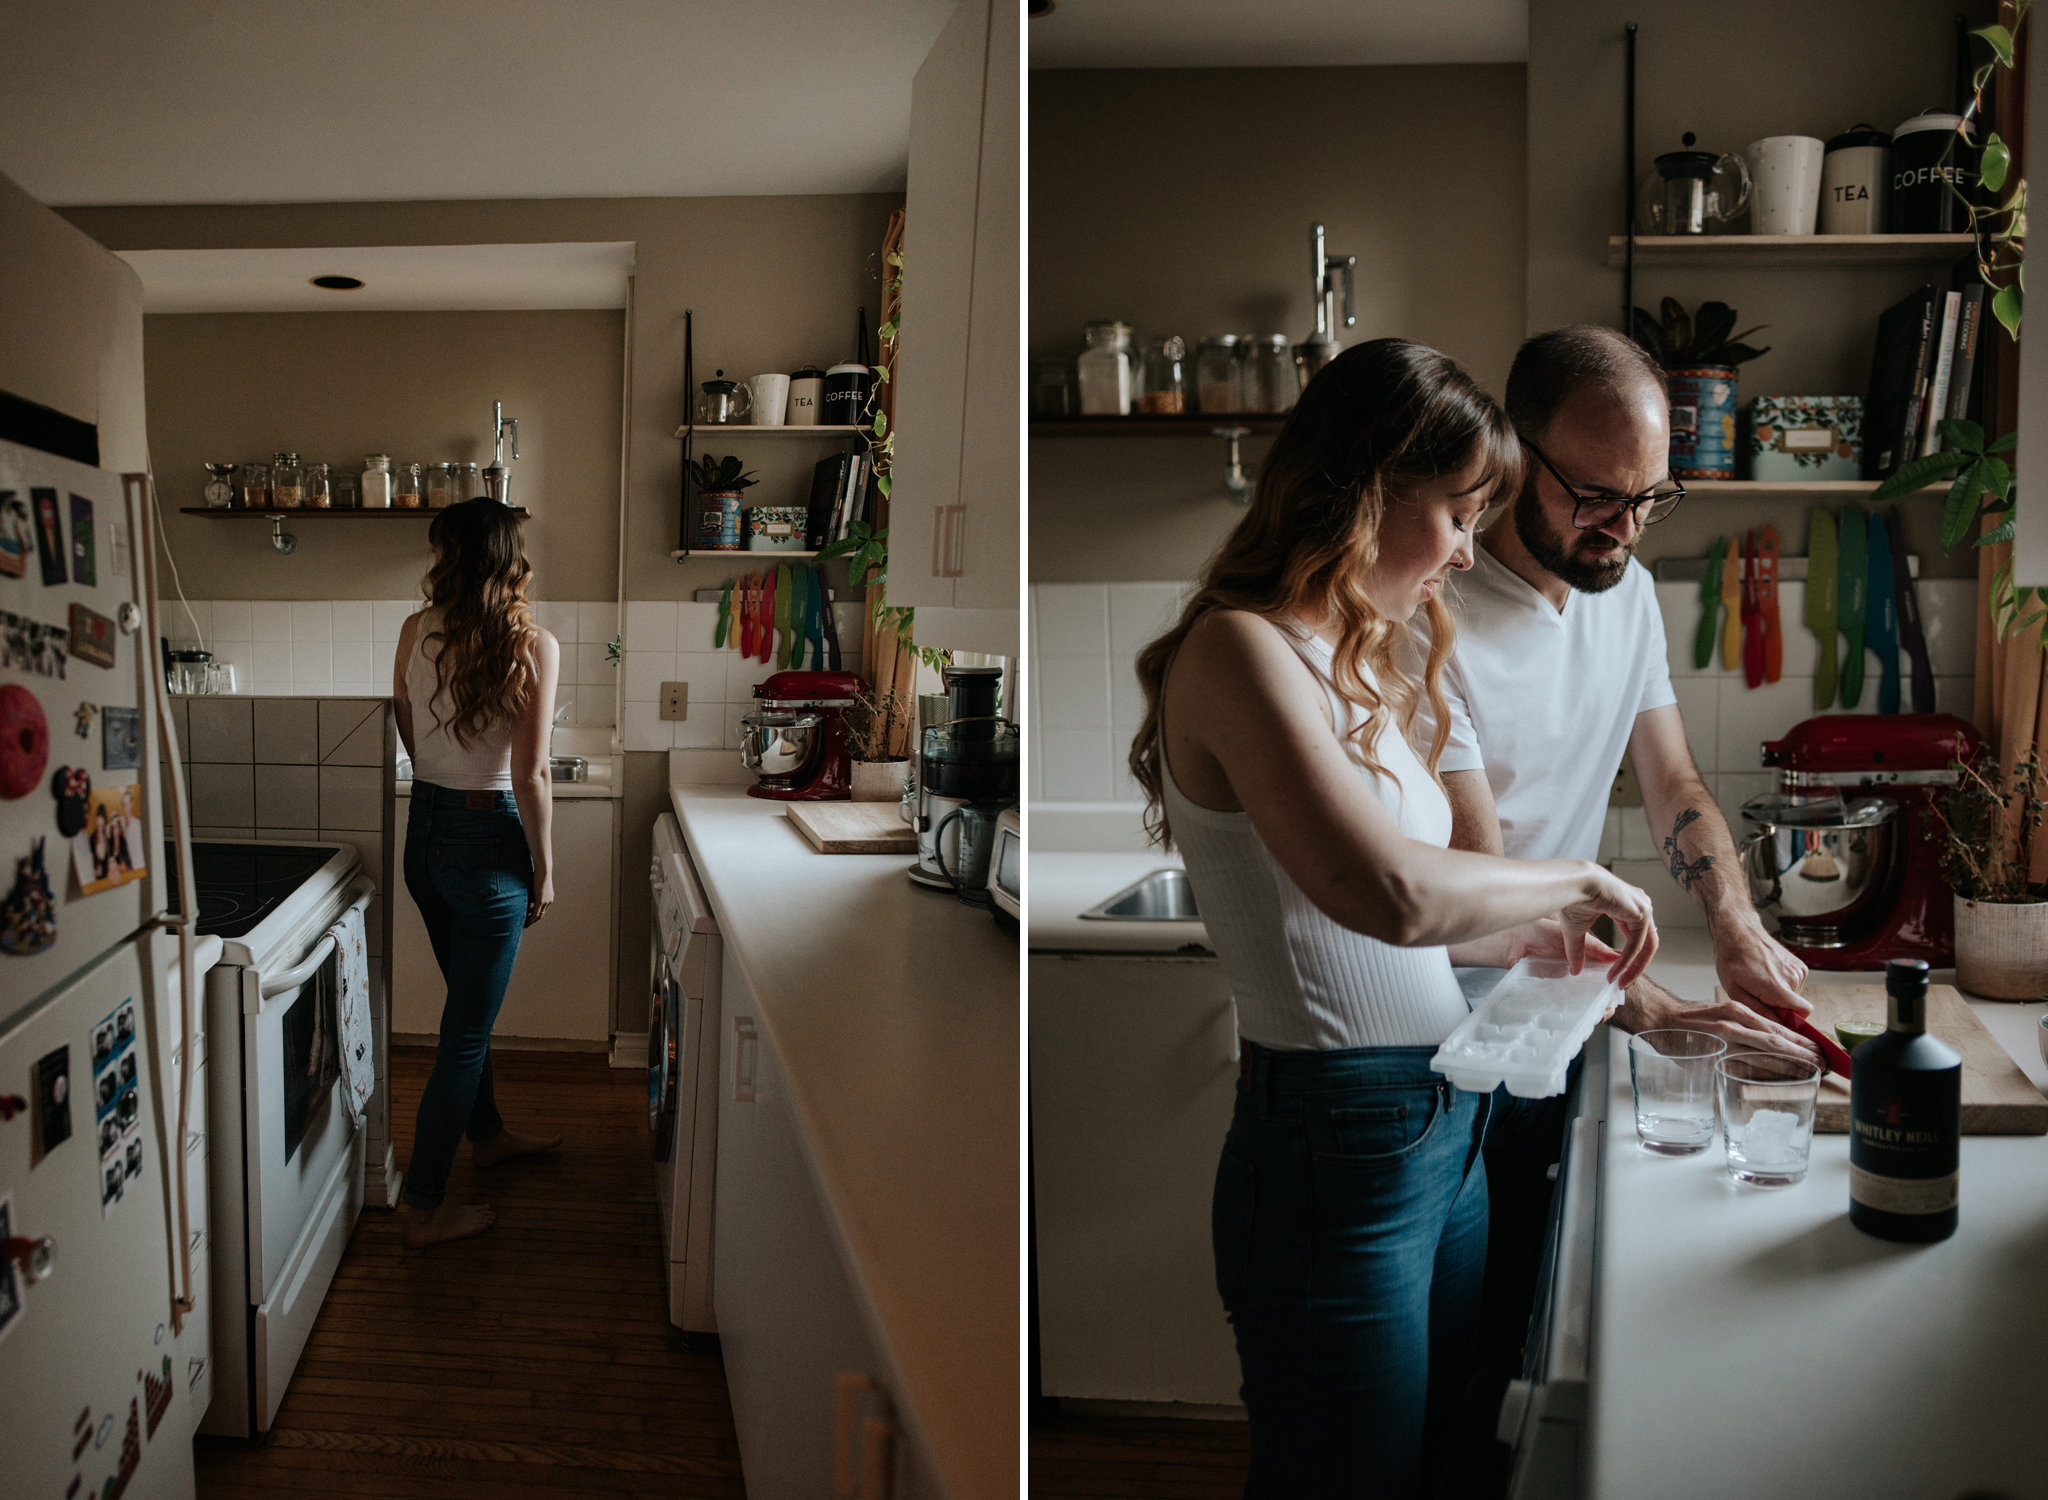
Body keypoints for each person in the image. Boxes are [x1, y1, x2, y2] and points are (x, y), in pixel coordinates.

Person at [1127, 338, 1659, 1497]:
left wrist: (1554, 950)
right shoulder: (1236, 650)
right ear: (1366, 489)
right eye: (1458, 513)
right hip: (1334, 1139)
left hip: (1437, 1123)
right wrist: (1574, 880)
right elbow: (1387, 892)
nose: (1468, 549)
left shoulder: (1346, 661)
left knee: (1451, 1463)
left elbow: (1428, 920)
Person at [1406, 325, 1818, 1470]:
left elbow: (1673, 780)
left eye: (1649, 500)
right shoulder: (1431, 609)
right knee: (1454, 1375)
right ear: (1511, 453)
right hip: (1446, 1046)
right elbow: (1486, 889)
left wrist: (1734, 924)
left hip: (1556, 1020)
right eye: (1594, 497)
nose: (1623, 530)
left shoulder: (1622, 590)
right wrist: (1654, 1009)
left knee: (1514, 1363)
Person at [393, 498, 564, 1250]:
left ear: (449, 555)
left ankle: (486, 1137)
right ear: (511, 557)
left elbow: (405, 725)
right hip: (488, 840)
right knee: (465, 1032)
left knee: (470, 1006)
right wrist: (544, 868)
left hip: (425, 832)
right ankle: (423, 1207)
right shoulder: (533, 644)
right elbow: (530, 774)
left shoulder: (414, 630)